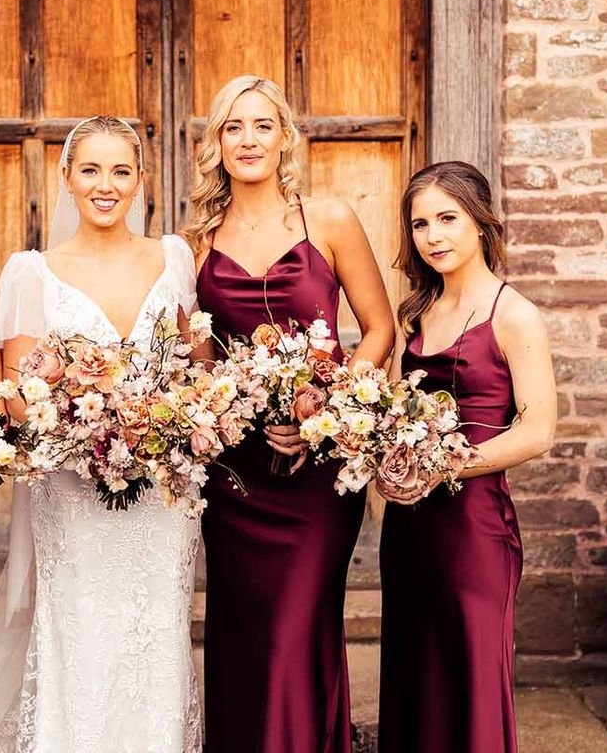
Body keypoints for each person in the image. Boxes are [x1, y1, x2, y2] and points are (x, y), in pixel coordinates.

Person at [185, 75, 395, 753]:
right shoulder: (196, 241)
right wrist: (225, 409)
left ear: (284, 137)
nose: (248, 140)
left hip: (319, 475)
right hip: (237, 474)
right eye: (232, 128)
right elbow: (198, 362)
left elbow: (379, 329)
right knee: (242, 630)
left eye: (260, 125)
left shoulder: (326, 219)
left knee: (298, 628)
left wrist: (327, 409)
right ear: (216, 144)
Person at [0, 116, 202, 753]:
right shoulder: (32, 272)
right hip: (76, 488)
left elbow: (195, 366)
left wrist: (162, 428)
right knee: (81, 627)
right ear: (66, 179)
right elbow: (24, 399)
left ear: (141, 182)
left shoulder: (175, 257)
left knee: (156, 628)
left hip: (163, 492)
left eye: (121, 171)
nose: (106, 185)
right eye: (91, 170)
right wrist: (92, 432)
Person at [377, 160, 557, 753]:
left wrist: (443, 466)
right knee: (414, 674)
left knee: (471, 677)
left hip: (475, 529)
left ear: (480, 223)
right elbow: (399, 413)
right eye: (420, 224)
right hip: (409, 528)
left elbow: (538, 431)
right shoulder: (413, 316)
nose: (433, 236)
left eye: (447, 219)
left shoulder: (515, 314)